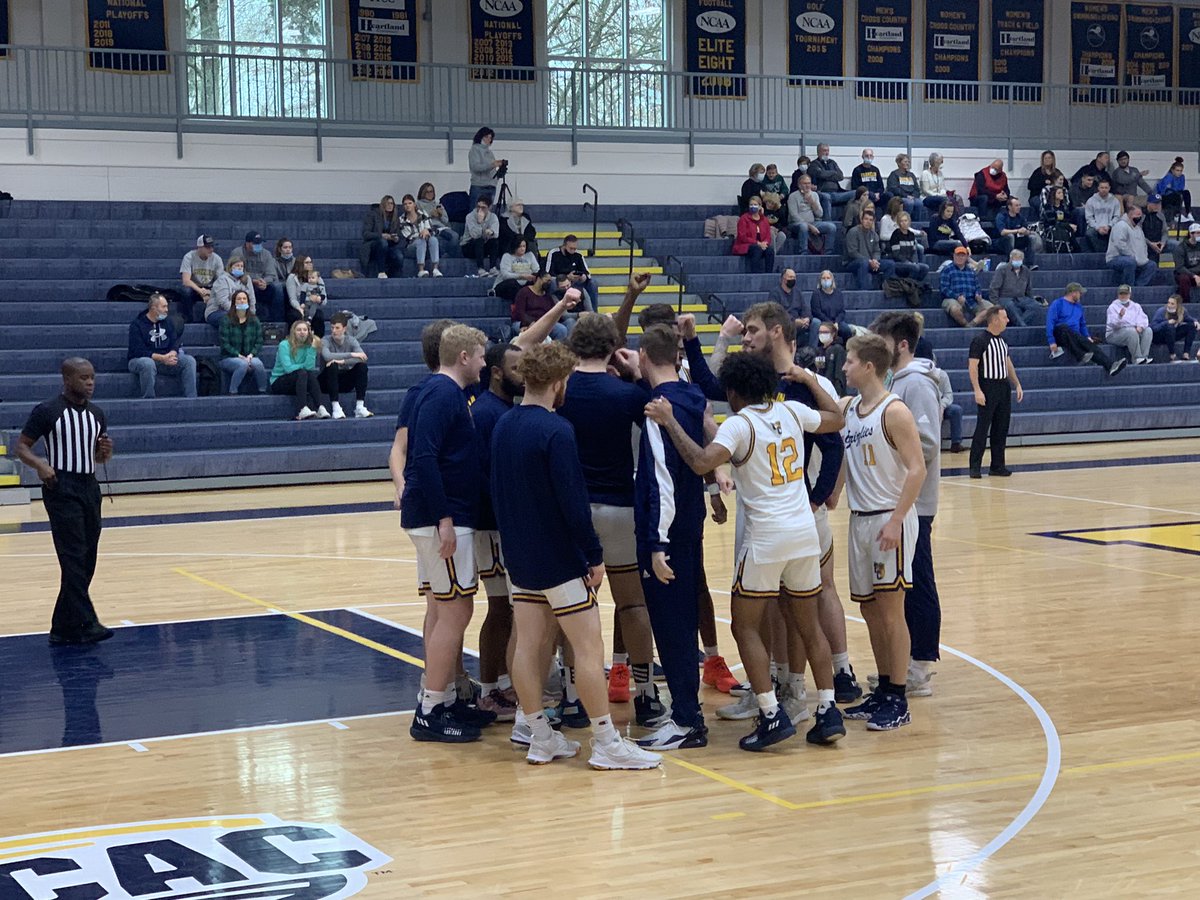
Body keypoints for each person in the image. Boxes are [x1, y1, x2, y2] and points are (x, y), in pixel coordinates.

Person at [644, 350, 848, 749]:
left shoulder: (740, 425)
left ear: (733, 391)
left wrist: (670, 421)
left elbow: (701, 462)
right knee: (809, 625)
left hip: (767, 538)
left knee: (744, 625)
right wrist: (809, 381)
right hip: (804, 534)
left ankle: (771, 714)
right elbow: (836, 419)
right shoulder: (792, 412)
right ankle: (827, 709)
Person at [681, 304, 858, 719]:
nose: (746, 337)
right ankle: (810, 699)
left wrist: (821, 495)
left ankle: (794, 694)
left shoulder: (777, 400)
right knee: (788, 613)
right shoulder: (786, 406)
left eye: (752, 331)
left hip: (785, 516)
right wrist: (698, 341)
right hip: (790, 516)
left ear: (776, 332)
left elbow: (834, 445)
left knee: (773, 614)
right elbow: (835, 421)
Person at [491, 341, 662, 769]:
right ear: (557, 382)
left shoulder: (504, 424)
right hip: (559, 558)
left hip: (520, 555)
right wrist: (593, 553)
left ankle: (539, 736)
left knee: (528, 645)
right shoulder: (556, 430)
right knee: (588, 646)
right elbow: (573, 502)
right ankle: (606, 742)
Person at [558, 315, 667, 728]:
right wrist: (637, 376)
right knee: (633, 603)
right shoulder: (626, 394)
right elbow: (659, 422)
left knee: (572, 608)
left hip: (574, 509)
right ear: (611, 349)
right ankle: (647, 696)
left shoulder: (561, 390)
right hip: (621, 507)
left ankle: (572, 698)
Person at [404, 324, 497, 743]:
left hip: (438, 515)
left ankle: (442, 700)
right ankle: (430, 709)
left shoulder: (439, 391)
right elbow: (424, 457)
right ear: (463, 357)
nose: (484, 362)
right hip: (443, 517)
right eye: (480, 355)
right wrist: (443, 517)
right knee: (455, 612)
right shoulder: (443, 394)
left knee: (445, 611)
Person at [839, 334, 927, 731]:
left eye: (849, 361)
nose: (844, 367)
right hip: (859, 518)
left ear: (868, 366)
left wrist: (896, 519)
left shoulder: (894, 411)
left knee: (892, 612)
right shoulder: (850, 409)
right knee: (870, 610)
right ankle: (884, 687)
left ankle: (898, 696)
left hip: (888, 519)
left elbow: (917, 469)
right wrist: (832, 494)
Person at [870, 311, 946, 698]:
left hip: (916, 502)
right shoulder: (893, 382)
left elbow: (927, 443)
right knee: (905, 582)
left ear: (901, 345)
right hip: (894, 499)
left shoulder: (916, 384)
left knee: (919, 582)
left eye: (881, 342)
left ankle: (920, 664)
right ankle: (904, 662)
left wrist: (889, 457)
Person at [16, 358, 114, 645]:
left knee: (87, 558)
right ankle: (88, 622)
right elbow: (21, 447)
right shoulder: (47, 411)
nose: (90, 382)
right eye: (83, 378)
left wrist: (104, 453)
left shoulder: (97, 414)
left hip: (89, 487)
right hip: (61, 487)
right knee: (73, 557)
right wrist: (40, 466)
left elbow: (96, 457)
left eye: (92, 377)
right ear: (67, 379)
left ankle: (62, 628)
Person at [468, 341, 522, 724]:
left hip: (499, 524)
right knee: (502, 608)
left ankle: (501, 684)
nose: (524, 374)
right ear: (498, 372)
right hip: (492, 526)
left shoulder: (503, 409)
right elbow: (484, 477)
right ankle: (489, 691)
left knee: (507, 610)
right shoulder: (488, 413)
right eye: (517, 368)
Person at [968, 306, 1023, 478]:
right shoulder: (979, 340)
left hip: (1003, 387)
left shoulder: (1003, 341)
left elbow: (1008, 363)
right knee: (983, 427)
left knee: (1001, 427)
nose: (1008, 320)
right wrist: (977, 390)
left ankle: (997, 466)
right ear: (994, 320)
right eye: (1004, 317)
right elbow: (972, 366)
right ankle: (975, 466)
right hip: (987, 386)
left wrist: (1017, 384)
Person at [1046, 282, 1127, 376]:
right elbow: (1050, 322)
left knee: (1088, 344)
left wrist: (1087, 336)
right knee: (1064, 328)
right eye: (1079, 293)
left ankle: (1110, 365)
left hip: (1075, 336)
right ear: (1073, 293)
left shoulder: (1078, 307)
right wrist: (1051, 341)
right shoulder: (1057, 304)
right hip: (1061, 334)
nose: (1081, 295)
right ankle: (1080, 355)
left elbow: (1082, 325)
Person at [127, 293, 198, 399]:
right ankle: (148, 399)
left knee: (189, 361)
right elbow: (138, 350)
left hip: (164, 358)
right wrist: (162, 358)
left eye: (167, 306)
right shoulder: (137, 325)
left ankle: (191, 398)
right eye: (163, 307)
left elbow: (175, 342)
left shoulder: (168, 322)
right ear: (153, 308)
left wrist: (172, 353)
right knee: (147, 363)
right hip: (140, 359)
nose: (167, 310)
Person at [270, 319, 328, 420]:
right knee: (303, 373)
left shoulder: (310, 346)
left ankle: (320, 407)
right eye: (299, 330)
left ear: (309, 332)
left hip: (299, 381)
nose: (302, 332)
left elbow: (310, 367)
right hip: (279, 381)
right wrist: (303, 366)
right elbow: (288, 368)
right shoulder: (284, 345)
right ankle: (302, 409)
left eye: (305, 330)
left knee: (310, 374)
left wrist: (312, 348)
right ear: (293, 332)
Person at [319, 313, 373, 418]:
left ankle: (360, 407)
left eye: (337, 328)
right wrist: (351, 354)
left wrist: (343, 361)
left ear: (344, 329)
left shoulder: (351, 340)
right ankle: (335, 407)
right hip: (326, 381)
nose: (334, 331)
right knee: (333, 365)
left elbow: (362, 357)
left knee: (362, 366)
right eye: (332, 327)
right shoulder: (325, 340)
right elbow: (327, 356)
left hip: (344, 380)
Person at [218, 289, 269, 394]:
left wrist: (251, 355)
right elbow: (225, 343)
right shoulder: (226, 320)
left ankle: (263, 391)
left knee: (258, 364)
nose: (242, 301)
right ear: (234, 302)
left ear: (248, 302)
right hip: (229, 357)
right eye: (239, 299)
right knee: (242, 364)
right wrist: (239, 355)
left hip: (250, 356)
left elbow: (259, 341)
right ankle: (233, 391)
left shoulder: (254, 320)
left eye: (244, 299)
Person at [228, 231, 284, 322]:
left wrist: (265, 282)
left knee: (278, 287)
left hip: (263, 286)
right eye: (255, 243)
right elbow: (233, 271)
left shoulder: (266, 254)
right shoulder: (237, 252)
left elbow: (271, 274)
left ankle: (278, 321)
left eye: (260, 243)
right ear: (247, 243)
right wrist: (253, 280)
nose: (258, 245)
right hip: (244, 283)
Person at [844, 207, 895, 290]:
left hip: (870, 262)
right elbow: (852, 252)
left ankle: (885, 289)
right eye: (866, 219)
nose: (868, 222)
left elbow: (877, 251)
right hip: (852, 262)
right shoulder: (853, 232)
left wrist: (875, 260)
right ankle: (865, 292)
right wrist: (869, 261)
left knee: (890, 264)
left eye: (871, 220)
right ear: (861, 220)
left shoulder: (874, 235)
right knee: (864, 263)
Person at [989, 249, 1042, 327]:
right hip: (1005, 298)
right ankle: (1022, 326)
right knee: (1010, 306)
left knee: (1035, 306)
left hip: (1021, 298)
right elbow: (994, 287)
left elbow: (1028, 289)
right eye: (1015, 259)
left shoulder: (1026, 271)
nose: (1018, 261)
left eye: (1020, 259)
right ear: (1010, 259)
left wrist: (1031, 299)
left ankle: (1019, 325)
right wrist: (996, 303)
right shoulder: (1002, 269)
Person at [546, 234, 599, 312]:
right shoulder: (554, 253)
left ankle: (594, 313)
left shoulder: (578, 255)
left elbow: (587, 273)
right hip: (560, 282)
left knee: (593, 283)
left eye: (575, 248)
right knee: (552, 281)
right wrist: (567, 277)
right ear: (564, 246)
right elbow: (548, 273)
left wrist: (583, 277)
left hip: (575, 282)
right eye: (571, 248)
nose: (573, 251)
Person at [1107, 206, 1157, 287]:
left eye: (1140, 215)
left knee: (1151, 265)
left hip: (1136, 259)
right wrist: (1132, 256)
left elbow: (1143, 246)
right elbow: (1119, 244)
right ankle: (1128, 287)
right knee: (1130, 262)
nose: (1140, 217)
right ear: (1130, 215)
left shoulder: (1138, 229)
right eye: (1137, 215)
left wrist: (1143, 259)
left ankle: (1138, 287)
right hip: (1116, 258)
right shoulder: (1121, 226)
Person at [940, 247, 990, 326]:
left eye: (962, 256)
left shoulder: (971, 271)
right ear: (954, 256)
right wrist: (957, 297)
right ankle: (966, 325)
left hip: (972, 300)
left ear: (966, 257)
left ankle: (972, 325)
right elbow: (944, 289)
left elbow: (977, 287)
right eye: (958, 255)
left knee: (992, 309)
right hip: (952, 299)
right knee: (954, 309)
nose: (960, 257)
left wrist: (978, 294)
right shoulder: (947, 270)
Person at [179, 234, 223, 323]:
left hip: (210, 287)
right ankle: (188, 319)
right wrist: (201, 291)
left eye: (212, 247)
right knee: (185, 291)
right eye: (207, 247)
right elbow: (186, 280)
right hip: (194, 287)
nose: (211, 249)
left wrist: (210, 292)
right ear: (199, 247)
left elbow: (220, 281)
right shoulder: (189, 257)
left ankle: (207, 318)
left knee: (221, 291)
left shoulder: (217, 259)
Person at [1105, 285, 1153, 365]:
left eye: (1125, 294)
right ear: (1118, 295)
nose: (1123, 296)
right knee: (1131, 331)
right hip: (1114, 334)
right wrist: (1119, 316)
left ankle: (1144, 357)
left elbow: (1143, 319)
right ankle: (1137, 358)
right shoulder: (1112, 307)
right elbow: (1113, 325)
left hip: (1133, 331)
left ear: (1129, 294)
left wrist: (1140, 326)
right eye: (1121, 294)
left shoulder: (1136, 306)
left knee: (1148, 330)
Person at [787, 174, 836, 253]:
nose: (807, 186)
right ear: (799, 185)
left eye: (809, 183)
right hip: (796, 224)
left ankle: (828, 252)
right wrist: (809, 226)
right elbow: (794, 216)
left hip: (813, 222)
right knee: (803, 226)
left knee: (831, 227)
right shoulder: (793, 196)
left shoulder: (814, 195)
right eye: (804, 183)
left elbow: (820, 214)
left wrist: (812, 202)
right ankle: (803, 252)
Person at [513, 271, 568, 341]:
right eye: (547, 280)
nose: (549, 283)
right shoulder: (524, 292)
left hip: (543, 322)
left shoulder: (548, 296)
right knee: (533, 330)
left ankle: (555, 347)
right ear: (539, 279)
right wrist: (531, 322)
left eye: (550, 281)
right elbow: (519, 312)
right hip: (523, 322)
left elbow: (552, 312)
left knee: (561, 329)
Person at [398, 193, 442, 278]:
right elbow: (408, 237)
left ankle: (435, 269)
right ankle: (421, 270)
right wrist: (422, 234)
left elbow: (432, 229)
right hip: (411, 246)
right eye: (405, 204)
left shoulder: (423, 214)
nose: (407, 206)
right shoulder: (401, 220)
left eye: (410, 203)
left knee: (433, 239)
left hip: (426, 241)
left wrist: (427, 231)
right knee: (420, 241)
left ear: (414, 204)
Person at [361, 195, 404, 278]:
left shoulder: (395, 218)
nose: (390, 205)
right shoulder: (373, 215)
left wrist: (396, 239)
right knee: (383, 242)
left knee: (399, 256)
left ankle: (393, 276)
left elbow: (399, 235)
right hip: (373, 245)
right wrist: (381, 235)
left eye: (391, 203)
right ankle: (381, 271)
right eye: (387, 203)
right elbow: (366, 234)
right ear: (383, 204)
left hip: (389, 246)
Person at [206, 255, 256, 328]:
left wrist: (252, 314)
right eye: (237, 265)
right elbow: (223, 302)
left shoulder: (247, 279)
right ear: (230, 267)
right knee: (233, 319)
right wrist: (238, 313)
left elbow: (251, 299)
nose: (240, 268)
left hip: (241, 312)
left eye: (242, 266)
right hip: (217, 311)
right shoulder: (222, 279)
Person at [284, 255, 328, 337]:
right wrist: (300, 308)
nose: (310, 264)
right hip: (297, 306)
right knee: (296, 315)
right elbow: (293, 299)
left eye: (311, 262)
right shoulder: (292, 278)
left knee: (319, 315)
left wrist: (319, 299)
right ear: (300, 264)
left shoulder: (318, 278)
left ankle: (317, 340)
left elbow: (324, 300)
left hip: (312, 306)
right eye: (307, 262)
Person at [810, 143, 855, 221]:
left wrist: (826, 175)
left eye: (828, 151)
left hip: (837, 192)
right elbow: (821, 174)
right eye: (824, 151)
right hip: (822, 192)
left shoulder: (832, 163)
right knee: (826, 197)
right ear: (818, 152)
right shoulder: (814, 164)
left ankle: (847, 221)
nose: (827, 153)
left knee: (855, 193)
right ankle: (828, 223)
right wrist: (833, 172)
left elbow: (840, 176)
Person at [768, 269, 812, 347]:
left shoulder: (797, 292)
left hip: (800, 321)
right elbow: (776, 312)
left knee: (815, 323)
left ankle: (812, 350)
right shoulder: (775, 293)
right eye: (790, 277)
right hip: (785, 321)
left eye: (794, 277)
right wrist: (793, 321)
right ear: (783, 279)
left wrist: (807, 318)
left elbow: (804, 307)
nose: (793, 279)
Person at [995, 196, 1042, 265]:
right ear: (1009, 207)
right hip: (1003, 241)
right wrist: (1017, 231)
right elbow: (1002, 232)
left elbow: (1025, 228)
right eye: (1016, 205)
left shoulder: (1020, 217)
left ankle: (1030, 263)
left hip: (1018, 240)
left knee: (1032, 237)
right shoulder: (1001, 216)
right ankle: (1010, 262)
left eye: (1019, 205)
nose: (1019, 207)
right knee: (1010, 236)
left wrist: (1027, 232)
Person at [1151, 294, 1199, 361]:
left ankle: (1186, 353)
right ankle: (1172, 355)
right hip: (1159, 336)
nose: (1169, 305)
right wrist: (1166, 323)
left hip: (1172, 335)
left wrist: (1195, 321)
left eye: (1172, 304)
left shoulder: (1182, 311)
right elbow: (1153, 327)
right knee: (1170, 327)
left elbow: (1189, 319)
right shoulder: (1161, 311)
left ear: (1178, 305)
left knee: (1191, 326)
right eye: (1168, 303)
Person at [462, 196, 501, 277]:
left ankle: (493, 268)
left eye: (483, 207)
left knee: (494, 242)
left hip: (484, 245)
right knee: (479, 240)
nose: (480, 210)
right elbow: (475, 235)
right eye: (478, 207)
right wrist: (480, 222)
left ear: (489, 208)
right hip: (469, 245)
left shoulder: (493, 217)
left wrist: (491, 232)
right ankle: (480, 269)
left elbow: (495, 234)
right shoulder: (470, 216)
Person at [733, 197, 775, 274]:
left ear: (760, 206)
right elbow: (742, 237)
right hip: (746, 245)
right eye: (751, 205)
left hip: (761, 245)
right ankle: (755, 274)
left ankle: (769, 274)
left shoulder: (764, 219)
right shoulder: (743, 218)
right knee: (757, 249)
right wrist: (758, 243)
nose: (753, 206)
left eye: (755, 204)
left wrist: (765, 243)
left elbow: (768, 236)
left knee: (770, 251)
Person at [811, 270, 854, 344]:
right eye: (823, 278)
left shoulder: (838, 293)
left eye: (828, 278)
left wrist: (836, 322)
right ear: (820, 280)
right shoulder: (816, 294)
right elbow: (817, 312)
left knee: (846, 330)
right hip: (823, 321)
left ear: (832, 280)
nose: (826, 280)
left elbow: (842, 312)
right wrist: (831, 324)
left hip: (837, 322)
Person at [468, 126, 505, 208]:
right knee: (475, 211)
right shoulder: (475, 149)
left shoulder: (490, 152)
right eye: (486, 137)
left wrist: (499, 172)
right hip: (479, 186)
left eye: (490, 138)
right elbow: (475, 167)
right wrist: (493, 165)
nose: (489, 139)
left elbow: (492, 169)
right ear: (480, 137)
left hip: (491, 186)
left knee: (488, 213)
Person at [887, 212, 930, 281]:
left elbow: (914, 252)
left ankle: (915, 284)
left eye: (905, 220)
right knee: (914, 267)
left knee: (925, 268)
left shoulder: (911, 235)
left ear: (909, 221)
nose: (904, 223)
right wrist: (907, 262)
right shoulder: (895, 234)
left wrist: (914, 262)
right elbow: (896, 254)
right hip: (898, 262)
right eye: (901, 221)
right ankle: (908, 284)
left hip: (910, 262)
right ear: (899, 223)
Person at [494, 238, 539, 303]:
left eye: (524, 246)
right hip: (507, 284)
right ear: (514, 246)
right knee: (513, 284)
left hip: (524, 284)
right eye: (520, 246)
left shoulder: (530, 255)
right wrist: (522, 276)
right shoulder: (507, 256)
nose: (522, 249)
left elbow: (536, 270)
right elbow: (505, 275)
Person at [1083, 179, 1122, 253]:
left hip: (1110, 226)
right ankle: (1100, 253)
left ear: (1109, 188)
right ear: (1098, 188)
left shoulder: (1115, 201)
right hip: (1095, 227)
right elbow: (1089, 218)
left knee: (1119, 232)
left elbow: (1117, 216)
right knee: (1089, 233)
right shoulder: (1091, 201)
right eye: (1102, 187)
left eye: (1106, 188)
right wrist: (1098, 228)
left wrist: (1109, 226)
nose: (1104, 190)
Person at [499, 197, 539, 262]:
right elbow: (505, 233)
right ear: (511, 207)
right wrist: (518, 239)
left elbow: (531, 231)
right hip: (510, 242)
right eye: (518, 205)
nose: (521, 207)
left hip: (524, 241)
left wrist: (523, 239)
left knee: (531, 244)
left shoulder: (526, 217)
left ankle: (533, 265)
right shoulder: (504, 219)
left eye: (522, 205)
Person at [1039, 184, 1078, 252]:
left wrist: (1068, 225)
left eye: (1062, 193)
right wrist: (1068, 225)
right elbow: (1052, 221)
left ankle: (1073, 249)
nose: (1061, 194)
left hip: (1063, 227)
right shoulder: (1048, 207)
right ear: (1053, 194)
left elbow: (1067, 219)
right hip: (1051, 228)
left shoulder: (1064, 207)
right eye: (1059, 193)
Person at [1156, 157, 1193, 225]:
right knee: (1177, 195)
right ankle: (1177, 215)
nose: (1179, 172)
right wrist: (1173, 180)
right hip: (1164, 198)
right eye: (1177, 170)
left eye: (1181, 171)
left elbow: (1181, 188)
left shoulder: (1182, 177)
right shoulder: (1169, 177)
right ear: (1172, 170)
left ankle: (1189, 213)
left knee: (1186, 192)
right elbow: (1163, 191)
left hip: (1175, 195)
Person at [814, 323, 847, 395]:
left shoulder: (838, 349)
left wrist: (838, 391)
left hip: (833, 389)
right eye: (820, 332)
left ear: (833, 334)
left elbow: (839, 373)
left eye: (825, 332)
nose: (822, 334)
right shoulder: (818, 350)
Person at [936, 367, 963, 454]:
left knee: (956, 410)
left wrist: (942, 405)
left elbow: (949, 395)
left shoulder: (942, 375)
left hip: (941, 405)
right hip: (926, 407)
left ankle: (956, 443)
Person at [1173, 223, 1200, 302]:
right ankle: (1186, 302)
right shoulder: (1180, 248)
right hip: (1185, 273)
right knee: (1184, 278)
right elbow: (1180, 267)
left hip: (1197, 272)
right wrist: (1194, 276)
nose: (1199, 235)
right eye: (1198, 233)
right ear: (1191, 234)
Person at [1142, 193, 1172, 263]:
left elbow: (1164, 232)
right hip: (1145, 244)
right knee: (1152, 263)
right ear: (1148, 203)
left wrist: (1162, 243)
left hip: (1159, 242)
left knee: (1177, 246)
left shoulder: (1161, 215)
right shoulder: (1142, 215)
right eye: (1155, 204)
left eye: (1159, 204)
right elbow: (1138, 234)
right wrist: (1150, 243)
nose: (1158, 206)